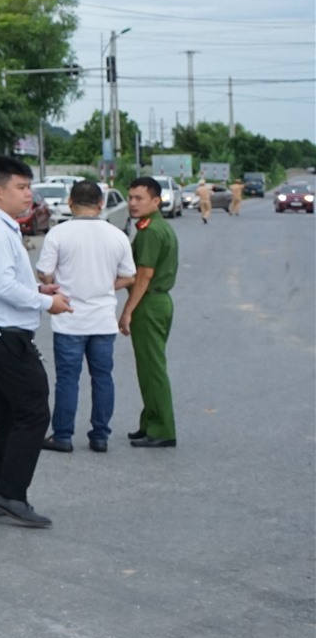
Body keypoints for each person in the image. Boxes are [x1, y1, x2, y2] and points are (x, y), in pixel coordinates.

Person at [0, 154, 71, 528]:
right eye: (21, 188)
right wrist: (48, 303)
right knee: (34, 411)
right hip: (4, 339)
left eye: (30, 187)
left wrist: (39, 288)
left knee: (0, 417)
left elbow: (8, 282)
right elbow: (2, 286)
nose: (29, 195)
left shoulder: (0, 226)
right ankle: (10, 494)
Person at [34, 180, 136, 454]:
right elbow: (129, 276)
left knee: (67, 379)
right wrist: (104, 285)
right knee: (103, 377)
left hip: (69, 318)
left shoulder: (58, 234)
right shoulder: (117, 236)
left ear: (70, 202)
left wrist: (58, 282)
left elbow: (44, 273)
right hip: (103, 320)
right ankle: (100, 436)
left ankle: (63, 435)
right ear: (101, 203)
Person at [120, 176, 180, 449]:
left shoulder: (152, 231)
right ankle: (150, 422)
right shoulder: (150, 227)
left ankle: (163, 429)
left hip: (150, 303)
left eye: (139, 198)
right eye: (130, 197)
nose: (133, 203)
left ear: (156, 201)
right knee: (148, 367)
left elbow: (143, 276)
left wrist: (127, 311)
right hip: (156, 302)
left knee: (152, 369)